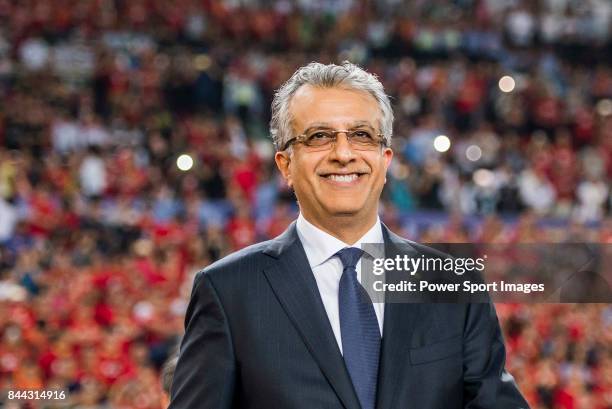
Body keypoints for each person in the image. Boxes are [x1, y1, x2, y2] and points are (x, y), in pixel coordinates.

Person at [169, 62, 529, 409]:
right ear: (286, 165)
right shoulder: (228, 292)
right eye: (319, 136)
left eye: (361, 135)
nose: (343, 153)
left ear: (385, 160)